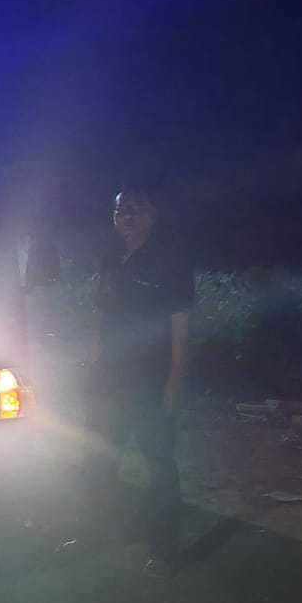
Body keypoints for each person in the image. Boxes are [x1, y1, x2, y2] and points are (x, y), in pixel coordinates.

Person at [84, 183, 194, 578]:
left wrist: (175, 377)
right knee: (98, 457)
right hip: (108, 376)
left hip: (149, 377)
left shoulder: (170, 260)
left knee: (159, 466)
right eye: (119, 210)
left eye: (133, 209)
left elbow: (180, 321)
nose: (125, 217)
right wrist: (94, 362)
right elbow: (101, 313)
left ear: (151, 215)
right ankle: (93, 534)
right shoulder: (112, 257)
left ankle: (164, 551)